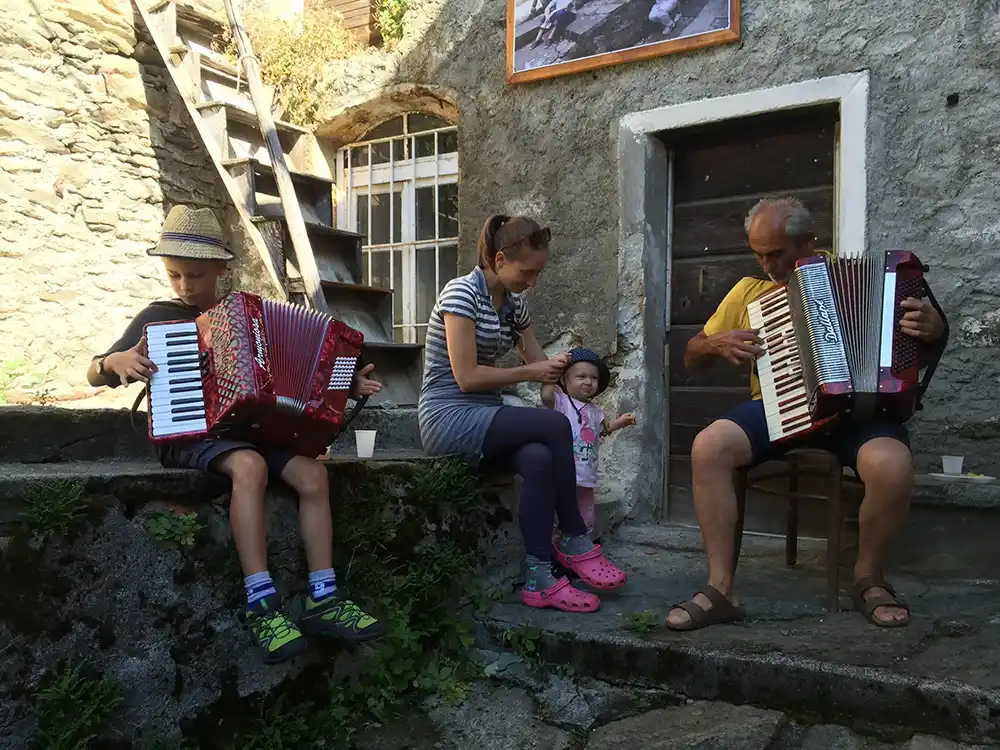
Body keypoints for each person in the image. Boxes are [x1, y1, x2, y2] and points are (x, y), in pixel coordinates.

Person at [87, 205, 386, 664]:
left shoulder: (246, 315)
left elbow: (301, 376)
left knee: (313, 476)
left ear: (221, 269)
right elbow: (93, 373)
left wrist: (349, 384)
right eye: (175, 275)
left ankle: (323, 597)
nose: (185, 287)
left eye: (195, 276)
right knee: (249, 465)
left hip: (246, 430)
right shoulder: (158, 316)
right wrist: (114, 363)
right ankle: (261, 602)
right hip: (190, 433)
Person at [666, 197, 948, 632]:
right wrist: (715, 344)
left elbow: (914, 345)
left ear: (808, 240)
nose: (766, 265)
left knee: (892, 465)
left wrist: (934, 328)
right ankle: (722, 588)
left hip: (857, 412)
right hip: (778, 406)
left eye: (776, 254)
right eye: (758, 254)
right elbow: (690, 355)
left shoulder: (865, 278)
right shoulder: (746, 292)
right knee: (709, 447)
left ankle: (868, 578)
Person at [419, 214, 628, 613]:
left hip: (487, 416)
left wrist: (559, 380)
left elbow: (538, 362)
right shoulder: (461, 294)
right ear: (499, 260)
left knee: (539, 457)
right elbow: (465, 377)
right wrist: (533, 374)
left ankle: (539, 578)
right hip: (447, 415)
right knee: (551, 427)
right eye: (526, 272)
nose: (532, 283)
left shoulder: (513, 304)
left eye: (538, 274)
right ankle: (573, 537)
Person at [540, 347, 636, 545]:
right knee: (557, 515)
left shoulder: (596, 410)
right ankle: (555, 550)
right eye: (581, 376)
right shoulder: (561, 401)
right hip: (563, 473)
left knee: (586, 515)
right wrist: (554, 370)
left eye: (593, 378)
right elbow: (546, 395)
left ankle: (579, 546)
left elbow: (605, 428)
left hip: (586, 475)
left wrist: (621, 422)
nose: (588, 381)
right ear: (565, 380)